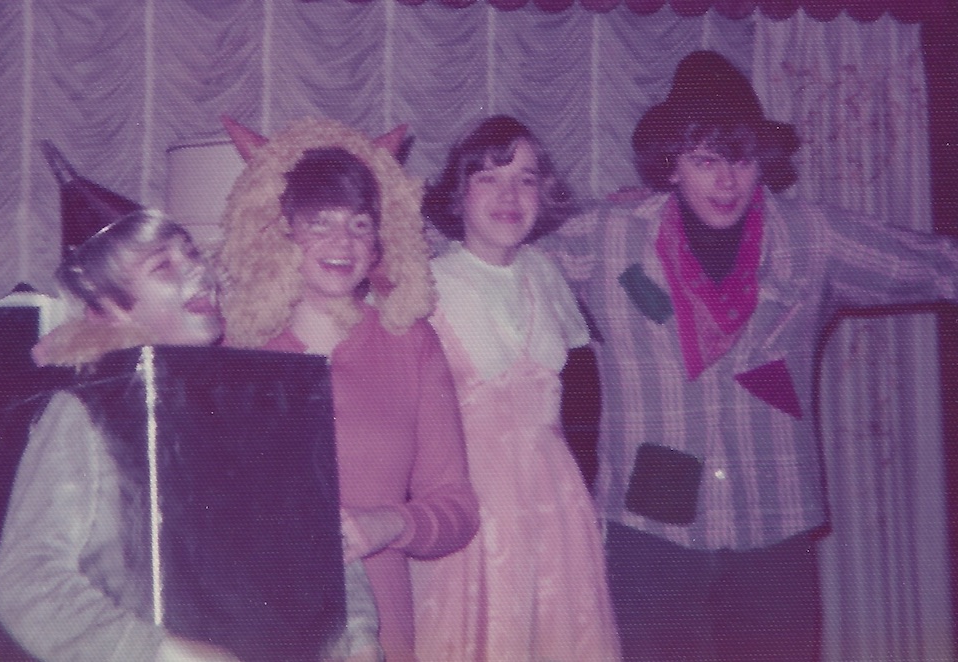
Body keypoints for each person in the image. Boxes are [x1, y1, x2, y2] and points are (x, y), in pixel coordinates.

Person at [547, 50, 958, 661]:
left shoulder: (811, 238)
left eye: (740, 160)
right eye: (704, 160)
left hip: (776, 525)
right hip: (652, 536)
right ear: (671, 166)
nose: (726, 181)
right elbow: (495, 267)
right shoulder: (610, 239)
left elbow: (936, 264)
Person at [0, 206, 381, 662]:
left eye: (191, 252)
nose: (198, 269)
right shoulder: (83, 410)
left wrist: (358, 637)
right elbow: (25, 582)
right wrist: (159, 652)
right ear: (111, 308)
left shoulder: (260, 398)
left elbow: (319, 541)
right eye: (163, 265)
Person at [217, 118, 480, 662]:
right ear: (282, 227)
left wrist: (389, 524)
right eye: (321, 222)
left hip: (381, 630)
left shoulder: (411, 342)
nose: (344, 243)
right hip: (258, 625)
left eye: (361, 225)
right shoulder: (237, 343)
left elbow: (457, 509)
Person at [411, 115, 621, 661]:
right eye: (489, 177)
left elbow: (582, 401)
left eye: (526, 179)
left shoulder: (548, 275)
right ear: (458, 193)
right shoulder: (427, 286)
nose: (510, 195)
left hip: (555, 497)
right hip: (472, 504)